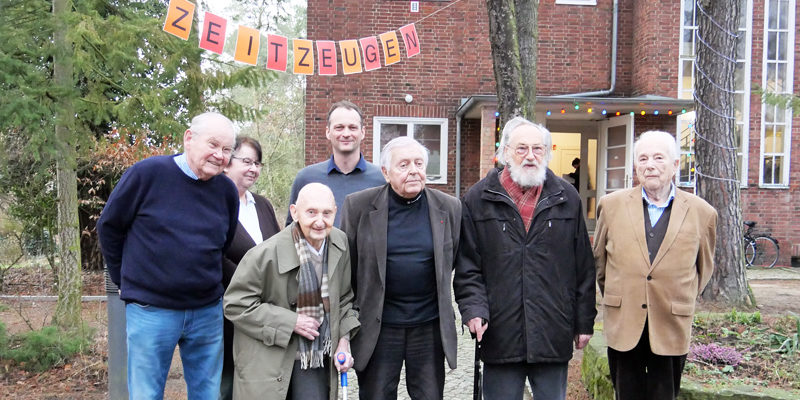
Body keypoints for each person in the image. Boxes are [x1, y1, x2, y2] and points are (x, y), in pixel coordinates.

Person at [97, 112, 239, 399]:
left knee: (208, 394)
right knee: (146, 394)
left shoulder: (226, 191)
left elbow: (223, 242)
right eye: (213, 144)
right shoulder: (147, 174)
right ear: (189, 138)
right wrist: (122, 278)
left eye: (227, 149)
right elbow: (109, 227)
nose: (219, 155)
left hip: (207, 311)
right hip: (151, 310)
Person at [453, 117, 596, 400]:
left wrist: (584, 322)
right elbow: (468, 267)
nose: (530, 156)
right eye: (521, 148)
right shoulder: (478, 199)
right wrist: (474, 310)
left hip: (552, 330)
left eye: (537, 149)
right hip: (500, 332)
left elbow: (583, 266)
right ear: (506, 152)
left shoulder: (567, 197)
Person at [593, 130, 717, 400]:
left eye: (659, 158)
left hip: (671, 323)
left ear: (675, 165)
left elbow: (703, 269)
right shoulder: (611, 206)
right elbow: (600, 264)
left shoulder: (702, 213)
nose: (650, 165)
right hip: (624, 322)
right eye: (643, 158)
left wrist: (678, 296)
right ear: (636, 166)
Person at [340, 136, 461, 400]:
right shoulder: (358, 206)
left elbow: (453, 262)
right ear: (386, 172)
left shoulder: (449, 207)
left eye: (419, 163)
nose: (413, 171)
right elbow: (347, 270)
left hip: (428, 326)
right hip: (379, 327)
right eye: (403, 165)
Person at [223, 183, 359, 400]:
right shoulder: (264, 254)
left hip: (315, 359)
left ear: (335, 212)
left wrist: (344, 341)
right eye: (311, 212)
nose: (319, 221)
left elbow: (343, 299)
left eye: (326, 213)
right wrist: (291, 322)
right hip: (269, 358)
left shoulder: (340, 243)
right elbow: (235, 304)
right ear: (294, 212)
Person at [219, 136, 282, 400]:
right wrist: (254, 283)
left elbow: (278, 249)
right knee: (226, 383)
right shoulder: (215, 202)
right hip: (227, 311)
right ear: (227, 164)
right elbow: (215, 255)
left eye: (257, 163)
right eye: (246, 161)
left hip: (262, 311)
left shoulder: (262, 205)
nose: (253, 169)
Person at [286, 100, 385, 227]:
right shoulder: (306, 178)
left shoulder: (382, 179)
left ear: (363, 132)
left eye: (352, 127)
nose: (346, 134)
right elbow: (292, 229)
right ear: (328, 132)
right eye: (339, 127)